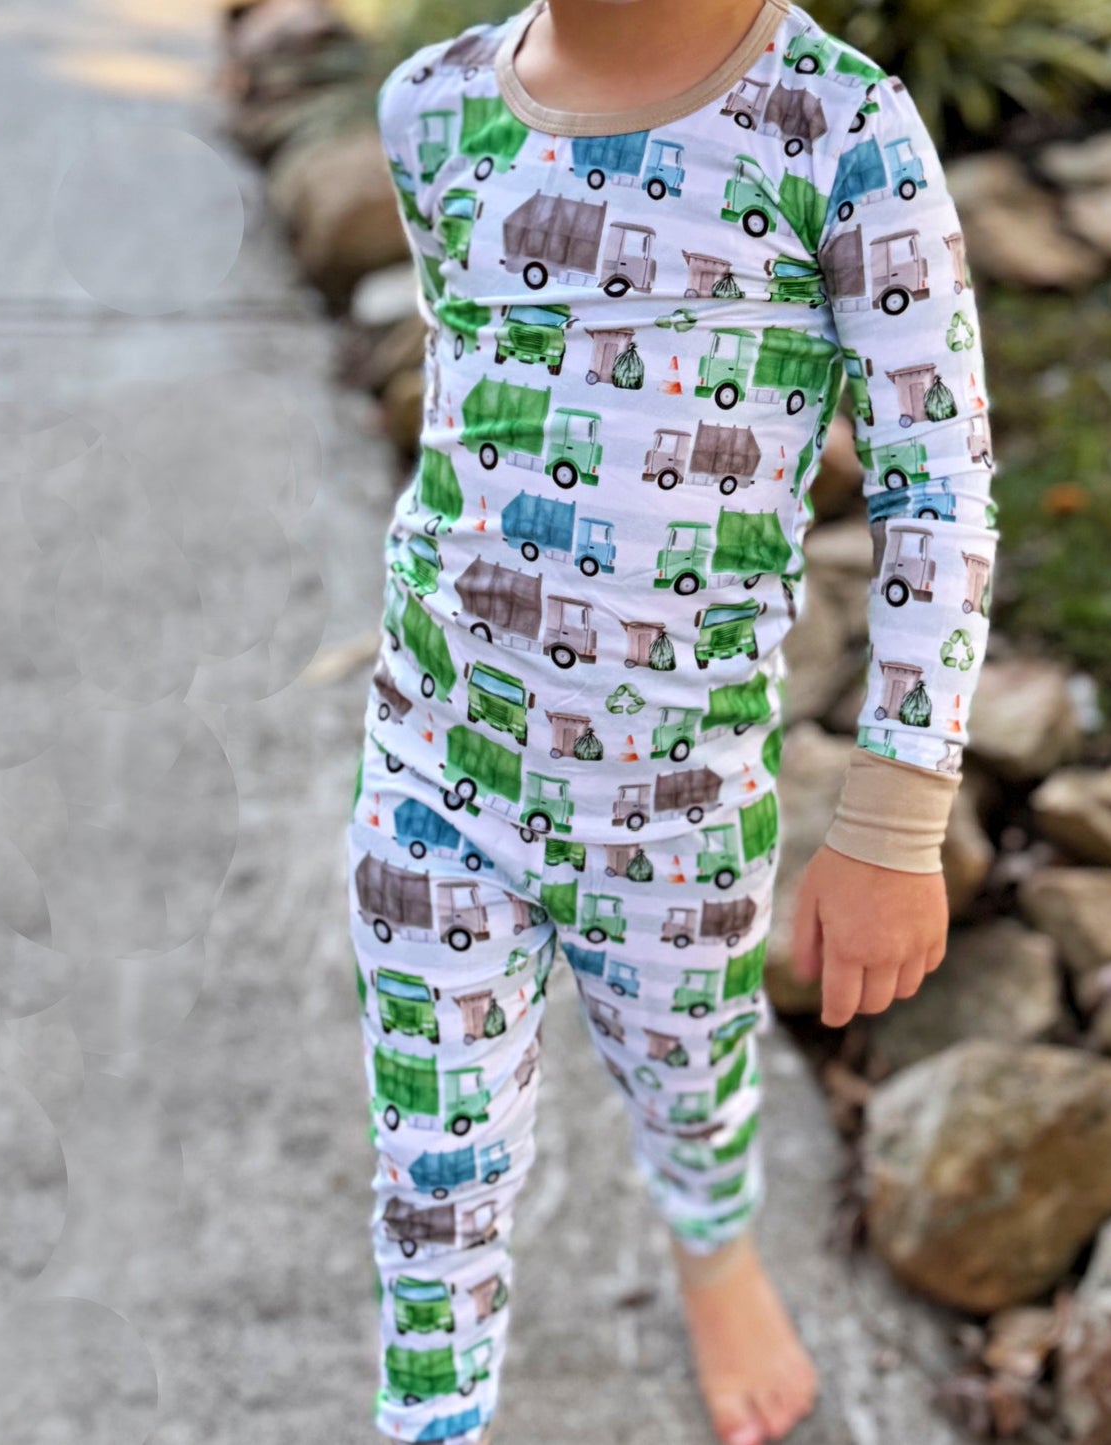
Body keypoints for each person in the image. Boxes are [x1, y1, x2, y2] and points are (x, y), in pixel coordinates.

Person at [346, 1, 999, 1441]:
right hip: (431, 765)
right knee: (433, 1164)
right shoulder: (430, 108)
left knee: (690, 1089)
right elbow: (481, 397)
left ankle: (713, 1253)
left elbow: (933, 493)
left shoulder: (838, 133)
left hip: (674, 815)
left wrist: (891, 824)